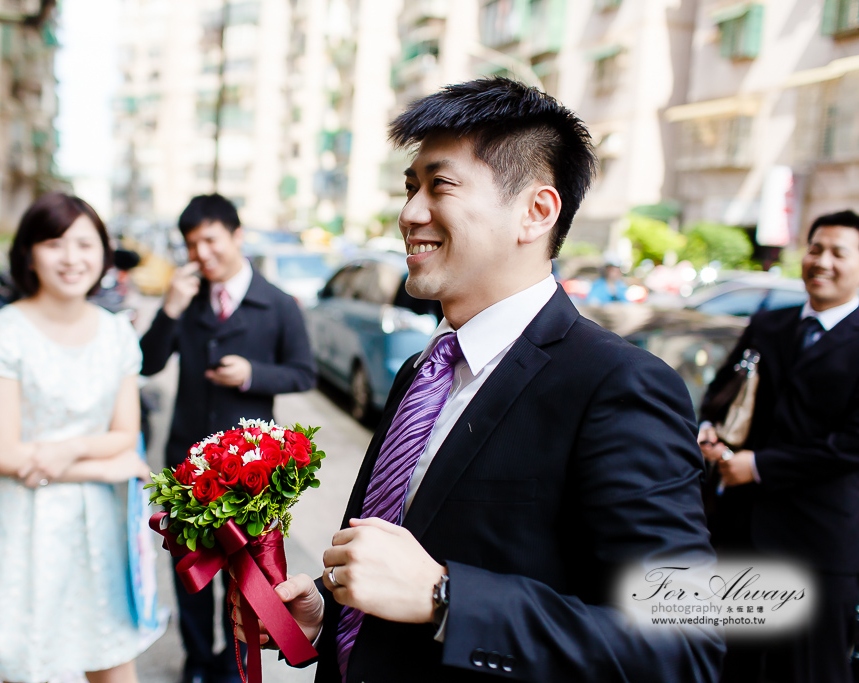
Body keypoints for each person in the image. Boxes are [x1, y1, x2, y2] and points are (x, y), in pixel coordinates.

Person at [251, 78, 723, 681]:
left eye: (440, 185)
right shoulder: (421, 372)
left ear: (536, 211)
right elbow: (420, 542)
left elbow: (685, 650)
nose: (409, 214)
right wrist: (331, 604)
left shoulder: (617, 385)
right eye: (410, 187)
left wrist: (448, 600)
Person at [0, 192, 157, 683]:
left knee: (113, 662)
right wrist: (105, 466)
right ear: (29, 253)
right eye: (54, 243)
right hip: (24, 527)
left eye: (85, 244)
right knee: (28, 664)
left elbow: (124, 435)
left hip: (101, 527)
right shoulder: (2, 333)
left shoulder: (116, 334)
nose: (72, 259)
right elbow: (4, 455)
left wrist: (64, 450)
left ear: (104, 255)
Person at [139, 194, 316, 683]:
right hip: (186, 469)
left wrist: (252, 373)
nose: (201, 254)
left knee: (242, 579)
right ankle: (197, 661)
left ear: (237, 236)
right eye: (191, 245)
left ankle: (230, 665)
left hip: (249, 474)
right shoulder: (188, 299)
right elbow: (147, 362)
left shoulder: (278, 304)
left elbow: (304, 373)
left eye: (210, 240)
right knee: (191, 575)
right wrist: (169, 310)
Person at [698, 209, 859, 683]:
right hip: (741, 533)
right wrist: (711, 429)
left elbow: (851, 444)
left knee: (812, 671)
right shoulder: (769, 325)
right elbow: (722, 394)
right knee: (730, 664)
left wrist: (759, 465)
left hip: (821, 542)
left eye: (838, 253)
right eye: (815, 249)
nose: (822, 261)